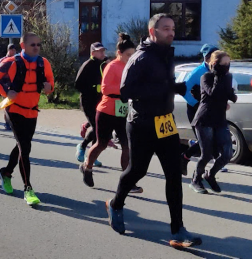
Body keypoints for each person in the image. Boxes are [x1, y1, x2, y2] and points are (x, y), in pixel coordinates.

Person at [104, 14, 201, 248]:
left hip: (165, 122)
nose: (171, 32)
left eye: (173, 28)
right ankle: (116, 203)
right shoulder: (141, 57)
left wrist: (179, 89)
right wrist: (165, 87)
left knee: (173, 174)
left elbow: (162, 85)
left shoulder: (166, 54)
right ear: (152, 32)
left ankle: (177, 230)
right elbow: (126, 91)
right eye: (166, 28)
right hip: (142, 124)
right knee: (137, 170)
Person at [0, 32, 54, 206]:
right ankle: (28, 188)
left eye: (38, 44)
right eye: (33, 44)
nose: (36, 47)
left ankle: (6, 172)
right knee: (25, 148)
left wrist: (49, 88)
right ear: (23, 46)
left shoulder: (44, 63)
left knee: (22, 145)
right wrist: (6, 92)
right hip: (14, 109)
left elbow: (50, 86)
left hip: (32, 111)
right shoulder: (11, 62)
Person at [80, 34, 141, 193]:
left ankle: (128, 182)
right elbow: (106, 88)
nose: (130, 58)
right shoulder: (111, 66)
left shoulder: (131, 66)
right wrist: (125, 90)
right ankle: (87, 166)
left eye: (132, 55)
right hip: (107, 109)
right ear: (119, 53)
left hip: (123, 111)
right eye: (128, 55)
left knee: (127, 146)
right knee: (101, 143)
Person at [189, 50, 236, 194]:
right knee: (207, 154)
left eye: (229, 63)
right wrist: (217, 75)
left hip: (220, 119)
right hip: (205, 119)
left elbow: (229, 95)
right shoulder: (206, 77)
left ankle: (210, 175)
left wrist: (231, 95)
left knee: (227, 153)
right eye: (224, 63)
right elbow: (213, 93)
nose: (227, 66)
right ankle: (196, 180)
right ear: (215, 64)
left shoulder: (228, 77)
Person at [179, 44, 219, 176]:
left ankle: (188, 159)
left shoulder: (217, 70)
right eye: (213, 56)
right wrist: (196, 104)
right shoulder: (197, 72)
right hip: (196, 110)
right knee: (205, 141)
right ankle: (186, 159)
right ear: (207, 58)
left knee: (211, 139)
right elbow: (184, 90)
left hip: (211, 110)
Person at [75, 42, 107, 164]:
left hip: (101, 100)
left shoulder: (105, 64)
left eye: (103, 51)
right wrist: (94, 88)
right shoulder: (87, 65)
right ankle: (82, 147)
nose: (103, 53)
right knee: (97, 127)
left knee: (101, 127)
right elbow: (78, 84)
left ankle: (92, 156)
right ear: (93, 53)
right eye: (100, 51)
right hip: (88, 101)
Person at [0, 43, 18, 130]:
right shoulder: (3, 60)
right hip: (5, 85)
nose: (13, 51)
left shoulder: (17, 60)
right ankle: (7, 123)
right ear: (8, 50)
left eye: (14, 50)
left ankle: (13, 122)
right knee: (7, 105)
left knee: (15, 105)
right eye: (11, 49)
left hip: (14, 85)